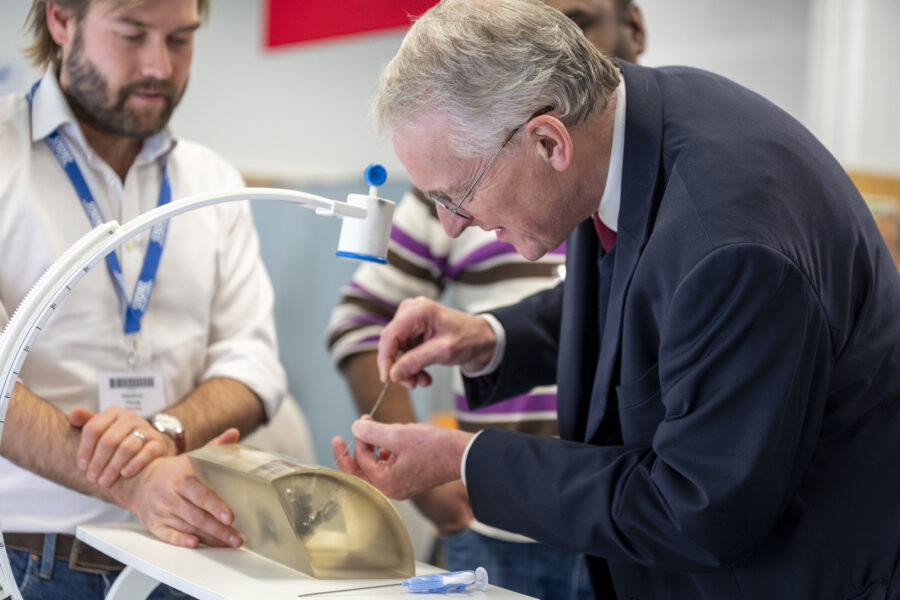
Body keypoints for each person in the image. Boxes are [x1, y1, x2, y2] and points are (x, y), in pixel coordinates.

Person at [333, 0, 900, 598]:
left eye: (458, 194)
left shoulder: (731, 243)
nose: (450, 226)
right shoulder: (620, 124)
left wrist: (465, 458)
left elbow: (695, 510)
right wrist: (493, 339)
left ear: (548, 144)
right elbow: (650, 298)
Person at [326, 2, 643, 597]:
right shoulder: (456, 180)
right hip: (500, 524)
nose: (552, 52)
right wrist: (434, 477)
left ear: (635, 27)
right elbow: (361, 321)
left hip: (637, 525)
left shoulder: (662, 197)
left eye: (577, 25)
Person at [0, 0, 288, 597]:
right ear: (61, 21)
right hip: (29, 554)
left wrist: (164, 432)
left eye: (181, 39)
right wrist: (129, 481)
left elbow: (252, 366)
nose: (159, 65)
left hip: (185, 555)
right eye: (132, 35)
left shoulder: (212, 183)